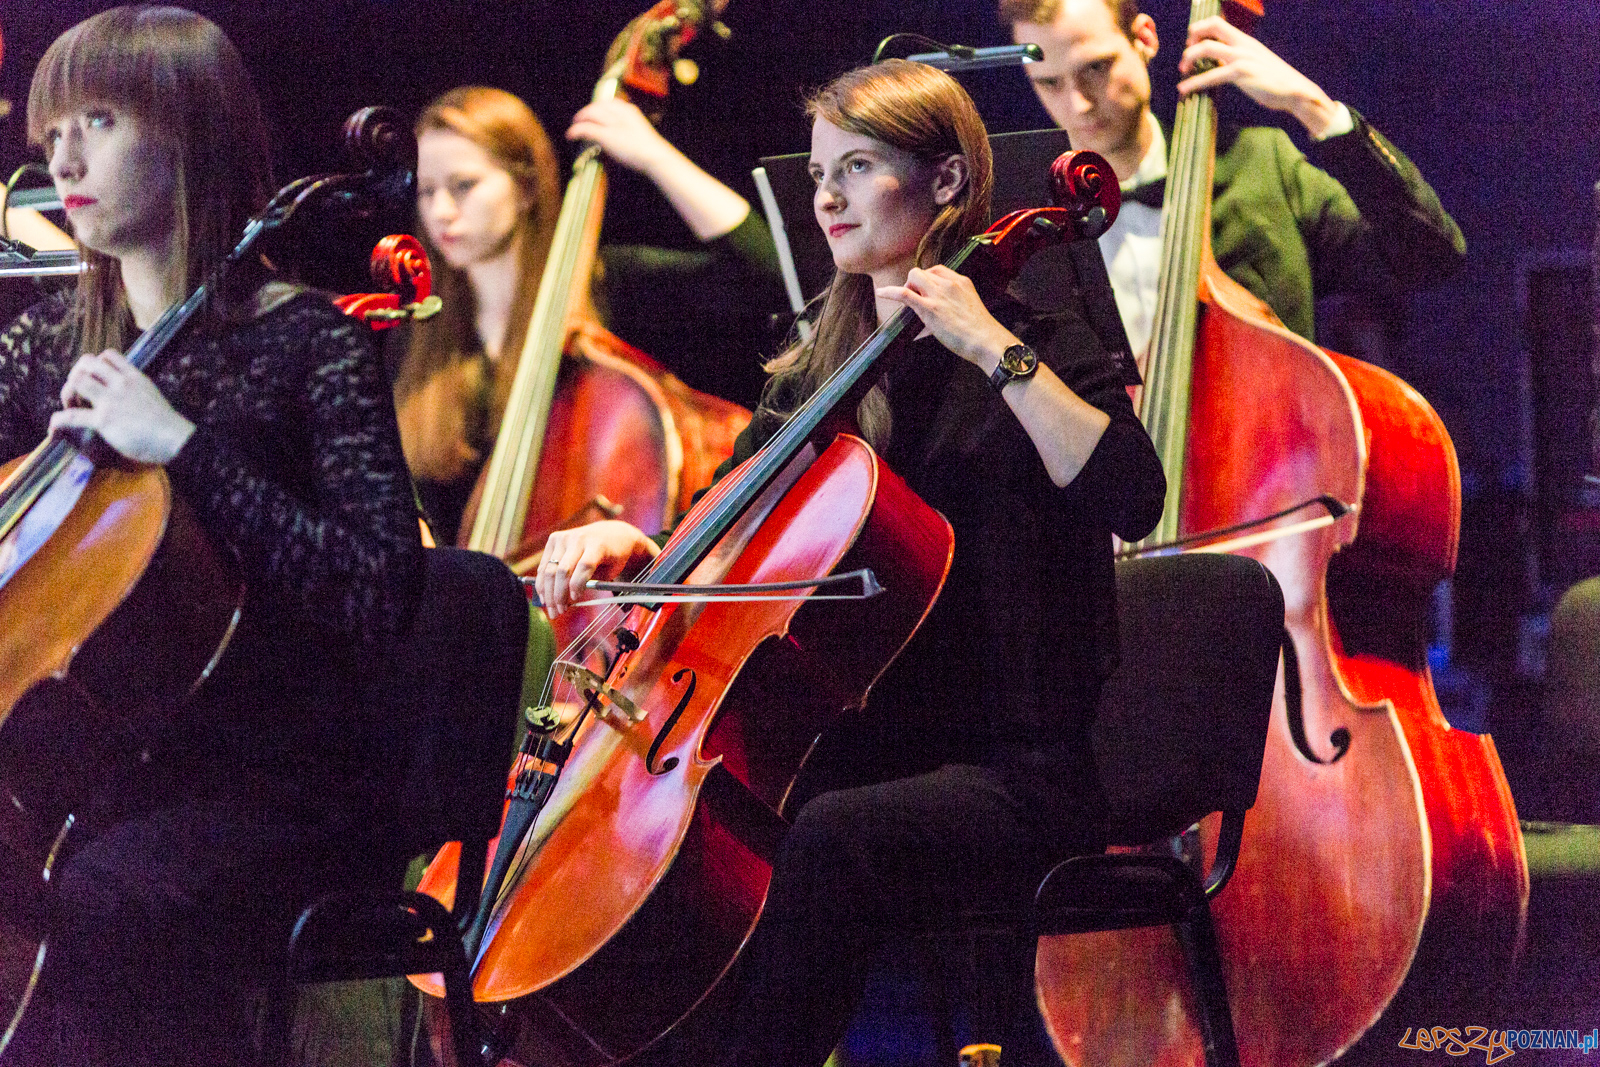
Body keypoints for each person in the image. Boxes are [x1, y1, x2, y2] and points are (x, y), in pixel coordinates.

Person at [534, 59, 1165, 1066]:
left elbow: (1132, 493)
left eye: (858, 166)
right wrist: (647, 548)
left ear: (947, 182)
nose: (824, 195)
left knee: (828, 836)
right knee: (723, 833)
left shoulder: (1039, 336)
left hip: (1019, 769)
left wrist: (992, 348)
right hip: (862, 749)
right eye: (820, 170)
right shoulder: (819, 370)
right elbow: (728, 522)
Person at [0, 7, 426, 1064]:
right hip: (105, 772)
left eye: (97, 120)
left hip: (284, 784)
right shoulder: (49, 341)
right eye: (53, 131)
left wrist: (182, 445)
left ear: (187, 136)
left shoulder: (303, 341)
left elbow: (379, 590)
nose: (64, 156)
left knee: (103, 899)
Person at [394, 86, 782, 544]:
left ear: (526, 187)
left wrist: (656, 157)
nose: (441, 211)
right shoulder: (419, 328)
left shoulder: (611, 284)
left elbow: (772, 276)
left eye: (464, 185)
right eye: (426, 191)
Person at [1001, 0, 1466, 357]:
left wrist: (1316, 109)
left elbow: (1430, 258)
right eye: (1049, 83)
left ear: (1144, 39)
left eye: (1095, 68)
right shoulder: (1034, 230)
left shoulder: (1263, 165)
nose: (1078, 104)